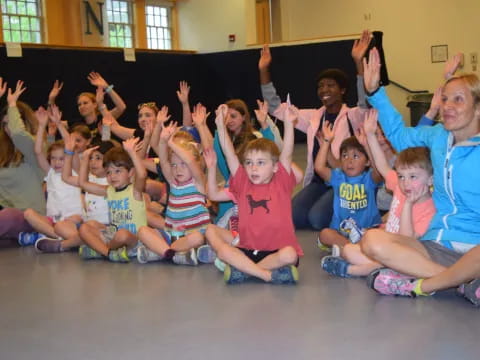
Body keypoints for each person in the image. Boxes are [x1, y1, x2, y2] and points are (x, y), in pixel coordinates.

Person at [359, 47, 480, 306]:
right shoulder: (438, 137)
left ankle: (423, 285)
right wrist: (375, 93)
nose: (447, 106)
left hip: (475, 250)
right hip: (435, 246)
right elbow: (399, 136)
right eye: (445, 99)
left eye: (458, 100)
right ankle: (462, 284)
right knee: (371, 241)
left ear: (478, 108)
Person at [259, 30, 371, 230]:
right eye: (320, 86)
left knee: (317, 219)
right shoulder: (314, 116)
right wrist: (264, 70)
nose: (324, 90)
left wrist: (358, 62)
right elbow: (277, 108)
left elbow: (365, 100)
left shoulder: (353, 115)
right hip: (318, 181)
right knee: (294, 217)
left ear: (343, 90)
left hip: (342, 182)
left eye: (330, 86)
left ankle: (357, 207)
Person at [321, 109, 435, 277]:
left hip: (403, 252)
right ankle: (380, 268)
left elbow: (406, 240)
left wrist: (408, 204)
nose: (406, 183)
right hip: (384, 245)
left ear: (431, 180)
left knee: (373, 251)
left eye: (413, 177)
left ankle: (355, 270)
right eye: (402, 176)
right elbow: (382, 167)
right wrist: (370, 136)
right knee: (350, 251)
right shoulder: (400, 185)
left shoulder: (430, 209)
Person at [205, 103, 302, 285]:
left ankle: (245, 271)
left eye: (260, 162)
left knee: (289, 254)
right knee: (225, 252)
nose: (253, 168)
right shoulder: (243, 183)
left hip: (277, 251)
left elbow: (287, 153)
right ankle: (266, 274)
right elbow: (230, 155)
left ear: (275, 167)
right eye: (248, 163)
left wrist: (289, 125)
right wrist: (219, 125)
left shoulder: (280, 181)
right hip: (248, 249)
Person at [136, 121, 211, 266]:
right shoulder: (173, 182)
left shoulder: (198, 181)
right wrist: (164, 141)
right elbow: (164, 161)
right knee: (143, 231)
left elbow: (189, 160)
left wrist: (171, 143)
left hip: (192, 234)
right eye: (174, 165)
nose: (178, 170)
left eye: (182, 165)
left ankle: (160, 253)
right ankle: (172, 254)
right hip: (172, 234)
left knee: (198, 238)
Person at [34, 136, 115, 253]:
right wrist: (69, 153)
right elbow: (66, 178)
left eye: (98, 158)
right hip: (87, 226)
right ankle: (85, 243)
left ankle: (63, 245)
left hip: (107, 228)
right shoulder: (89, 178)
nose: (93, 162)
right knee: (61, 226)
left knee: (87, 227)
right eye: (91, 158)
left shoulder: (113, 182)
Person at [19, 107, 84, 246]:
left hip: (72, 219)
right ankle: (57, 236)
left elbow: (69, 144)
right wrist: (42, 126)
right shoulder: (50, 173)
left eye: (61, 158)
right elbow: (37, 152)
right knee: (28, 213)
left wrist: (59, 124)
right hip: (52, 220)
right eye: (53, 158)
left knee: (75, 220)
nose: (57, 162)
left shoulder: (75, 172)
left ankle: (53, 235)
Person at [315, 118, 383, 249]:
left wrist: (366, 146)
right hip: (341, 231)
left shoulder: (369, 178)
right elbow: (319, 168)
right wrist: (326, 142)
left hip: (367, 230)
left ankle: (347, 249)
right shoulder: (337, 177)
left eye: (356, 156)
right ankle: (353, 248)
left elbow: (379, 171)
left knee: (381, 232)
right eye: (345, 156)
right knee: (324, 235)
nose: (349, 161)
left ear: (367, 162)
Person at [77, 136, 147, 263]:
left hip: (133, 240)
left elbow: (142, 174)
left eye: (118, 171)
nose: (112, 176)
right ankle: (107, 253)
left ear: (130, 173)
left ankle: (99, 250)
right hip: (113, 237)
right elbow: (83, 183)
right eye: (108, 172)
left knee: (123, 234)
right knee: (84, 228)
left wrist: (131, 152)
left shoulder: (135, 190)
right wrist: (85, 159)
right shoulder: (109, 191)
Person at [0, 79, 45, 244]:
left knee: (8, 217)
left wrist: (12, 104)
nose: (8, 128)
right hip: (9, 218)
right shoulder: (4, 154)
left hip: (32, 217)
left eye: (11, 122)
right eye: (5, 124)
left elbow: (18, 134)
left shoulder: (35, 148)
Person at [48, 72, 126, 136]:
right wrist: (51, 99)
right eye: (79, 104)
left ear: (95, 104)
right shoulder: (76, 124)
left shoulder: (104, 119)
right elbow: (51, 121)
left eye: (85, 103)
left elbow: (121, 107)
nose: (82, 106)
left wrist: (106, 87)